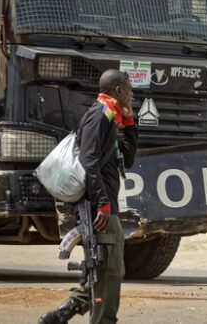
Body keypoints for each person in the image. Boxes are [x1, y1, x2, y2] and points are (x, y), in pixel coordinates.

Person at [40, 69, 138, 324]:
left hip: (105, 205)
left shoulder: (112, 115)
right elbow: (89, 160)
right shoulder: (100, 114)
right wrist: (103, 204)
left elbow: (128, 158)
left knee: (104, 271)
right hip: (99, 208)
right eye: (129, 87)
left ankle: (60, 315)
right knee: (110, 271)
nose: (132, 92)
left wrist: (129, 123)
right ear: (118, 90)